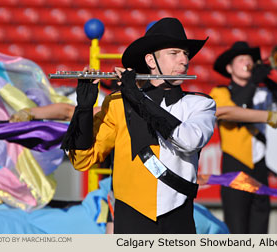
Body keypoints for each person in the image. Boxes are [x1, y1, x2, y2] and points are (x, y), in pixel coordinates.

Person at [61, 17, 216, 234]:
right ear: (151, 61)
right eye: (174, 53)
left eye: (186, 54)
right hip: (131, 216)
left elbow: (188, 140)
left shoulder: (200, 104)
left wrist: (137, 98)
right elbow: (82, 159)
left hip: (178, 215)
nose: (184, 60)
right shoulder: (117, 104)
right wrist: (84, 109)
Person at [210, 41, 277, 234]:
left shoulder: (262, 93)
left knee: (260, 228)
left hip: (260, 166)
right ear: (229, 68)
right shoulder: (220, 92)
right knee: (237, 228)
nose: (247, 63)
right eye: (241, 59)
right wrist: (253, 82)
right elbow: (234, 110)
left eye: (249, 60)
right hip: (235, 166)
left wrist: (267, 80)